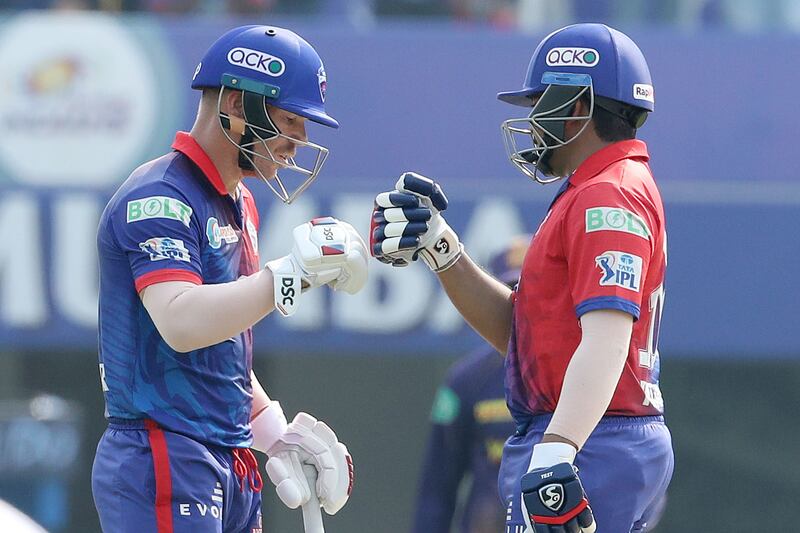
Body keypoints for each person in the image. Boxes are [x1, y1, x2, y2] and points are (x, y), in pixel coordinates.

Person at [372, 23, 672, 533]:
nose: (532, 121)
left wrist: (558, 450)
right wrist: (441, 248)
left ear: (577, 106)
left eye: (540, 104)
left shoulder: (607, 194)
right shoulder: (600, 187)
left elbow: (607, 338)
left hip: (589, 439)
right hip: (593, 434)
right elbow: (524, 338)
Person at [92, 25, 366, 532]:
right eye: (290, 119)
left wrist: (274, 433)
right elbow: (180, 321)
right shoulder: (159, 197)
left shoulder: (238, 199)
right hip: (162, 449)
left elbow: (219, 351)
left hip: (222, 454)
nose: (300, 140)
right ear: (237, 106)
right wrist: (289, 275)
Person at [411, 237, 527, 533]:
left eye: (527, 295)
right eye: (509, 293)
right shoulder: (464, 380)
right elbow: (437, 486)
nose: (519, 308)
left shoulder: (579, 372)